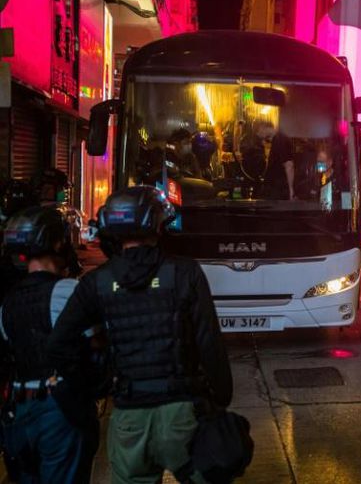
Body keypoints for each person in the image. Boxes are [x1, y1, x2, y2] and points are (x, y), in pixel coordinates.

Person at [46, 186, 233, 483]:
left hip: (129, 417)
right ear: (158, 224)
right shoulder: (185, 273)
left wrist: (98, 384)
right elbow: (209, 342)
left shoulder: (97, 282)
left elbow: (58, 344)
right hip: (183, 413)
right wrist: (220, 400)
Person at [0, 207, 99, 483]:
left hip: (17, 414)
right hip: (59, 411)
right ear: (57, 242)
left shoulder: (8, 302)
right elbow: (96, 345)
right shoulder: (67, 291)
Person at [239, 121, 295, 200]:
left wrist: (291, 189)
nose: (261, 137)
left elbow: (289, 165)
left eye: (258, 134)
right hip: (275, 187)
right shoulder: (277, 139)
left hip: (278, 188)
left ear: (262, 128)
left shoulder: (281, 139)